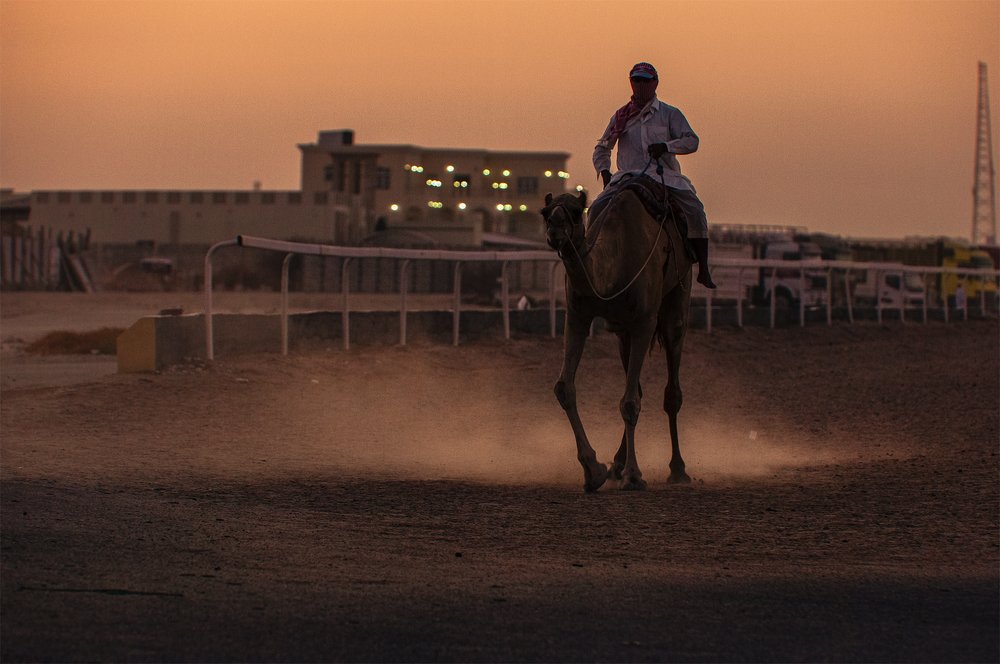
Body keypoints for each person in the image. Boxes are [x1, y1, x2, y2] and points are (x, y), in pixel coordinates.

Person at [592, 61, 716, 288]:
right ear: (631, 83)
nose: (640, 86)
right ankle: (589, 261)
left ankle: (704, 269)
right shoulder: (621, 116)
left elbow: (692, 141)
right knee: (595, 210)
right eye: (636, 81)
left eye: (645, 81)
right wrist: (605, 171)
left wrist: (667, 147)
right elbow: (603, 146)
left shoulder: (670, 114)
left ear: (655, 83)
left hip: (663, 177)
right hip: (626, 177)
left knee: (695, 209)